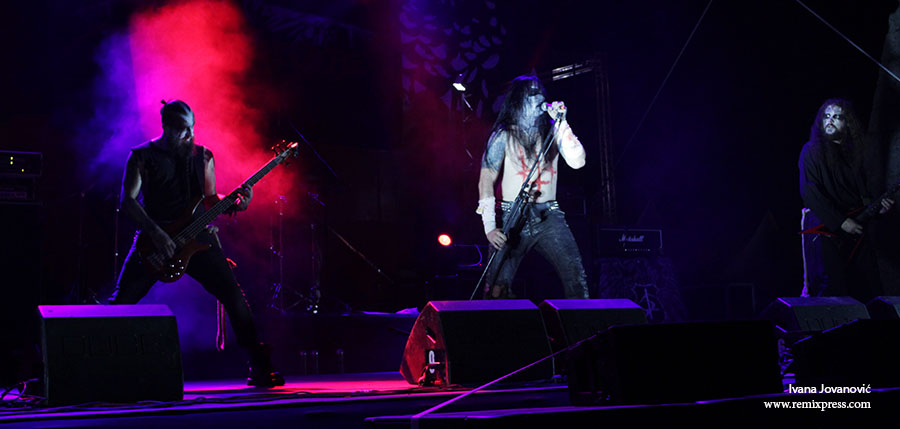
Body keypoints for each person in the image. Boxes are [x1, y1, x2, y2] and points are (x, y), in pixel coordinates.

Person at [110, 100, 284, 387]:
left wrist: (237, 204)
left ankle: (259, 364)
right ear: (166, 127)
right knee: (122, 301)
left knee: (232, 295)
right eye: (182, 129)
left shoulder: (202, 156)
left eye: (192, 128)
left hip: (198, 238)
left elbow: (210, 199)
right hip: (156, 240)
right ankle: (99, 365)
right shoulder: (142, 156)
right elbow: (128, 200)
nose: (189, 135)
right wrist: (156, 233)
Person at [476, 75, 589, 299]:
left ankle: (580, 322)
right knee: (497, 288)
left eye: (540, 92)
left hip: (549, 216)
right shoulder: (503, 134)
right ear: (518, 99)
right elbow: (486, 179)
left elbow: (578, 162)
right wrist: (489, 226)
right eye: (532, 93)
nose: (539, 97)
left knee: (576, 279)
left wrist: (562, 123)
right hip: (512, 216)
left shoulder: (553, 130)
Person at [798, 98, 893, 302]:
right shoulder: (811, 150)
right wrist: (840, 221)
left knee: (869, 287)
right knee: (832, 289)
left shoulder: (856, 155)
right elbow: (810, 192)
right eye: (827, 116)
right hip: (824, 228)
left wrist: (878, 210)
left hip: (856, 228)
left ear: (848, 123)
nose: (830, 120)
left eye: (837, 117)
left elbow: (863, 196)